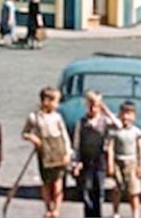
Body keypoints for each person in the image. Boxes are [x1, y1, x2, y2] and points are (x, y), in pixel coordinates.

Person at [22, 86, 72, 218]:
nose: (57, 104)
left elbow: (64, 135)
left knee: (58, 182)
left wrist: (68, 152)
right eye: (55, 101)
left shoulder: (57, 117)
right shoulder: (34, 117)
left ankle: (57, 209)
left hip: (58, 149)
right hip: (44, 151)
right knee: (46, 182)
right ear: (46, 101)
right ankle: (48, 207)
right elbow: (25, 133)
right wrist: (32, 138)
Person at [72, 90, 121, 218]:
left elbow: (119, 125)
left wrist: (105, 109)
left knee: (99, 190)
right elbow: (77, 143)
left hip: (100, 160)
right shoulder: (82, 122)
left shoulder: (104, 121)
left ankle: (98, 214)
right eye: (91, 105)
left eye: (96, 106)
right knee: (86, 190)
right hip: (86, 160)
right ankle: (88, 214)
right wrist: (76, 162)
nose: (93, 109)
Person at [107, 102, 141, 218]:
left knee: (133, 191)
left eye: (129, 114)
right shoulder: (115, 131)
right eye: (123, 113)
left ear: (134, 116)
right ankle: (116, 212)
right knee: (117, 189)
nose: (126, 117)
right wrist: (110, 163)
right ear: (119, 115)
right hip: (118, 161)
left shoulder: (136, 132)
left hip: (132, 162)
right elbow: (110, 148)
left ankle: (135, 213)